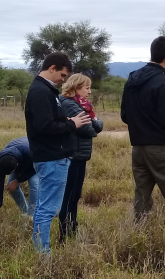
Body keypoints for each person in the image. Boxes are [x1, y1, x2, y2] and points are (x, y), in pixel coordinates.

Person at [25, 52, 91, 253]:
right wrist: (72, 124)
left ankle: (40, 250)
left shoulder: (46, 90)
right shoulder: (40, 92)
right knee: (48, 209)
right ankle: (43, 254)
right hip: (52, 157)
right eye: (62, 75)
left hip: (52, 156)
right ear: (52, 68)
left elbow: (50, 122)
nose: (63, 80)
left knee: (44, 207)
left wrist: (67, 122)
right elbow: (45, 127)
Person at [121, 36, 165, 222]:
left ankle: (138, 233)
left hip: (138, 148)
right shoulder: (164, 83)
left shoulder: (131, 80)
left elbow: (125, 116)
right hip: (161, 148)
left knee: (141, 196)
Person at [58, 74, 103, 242]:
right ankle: (64, 233)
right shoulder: (69, 103)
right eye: (87, 88)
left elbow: (89, 125)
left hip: (79, 155)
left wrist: (93, 123)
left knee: (75, 195)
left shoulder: (79, 105)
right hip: (72, 155)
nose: (89, 92)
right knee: (69, 195)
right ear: (76, 87)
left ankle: (72, 228)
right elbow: (89, 128)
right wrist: (96, 122)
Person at [0, 137, 39, 220]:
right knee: (11, 187)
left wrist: (18, 180)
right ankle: (25, 212)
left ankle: (31, 216)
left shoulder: (29, 152)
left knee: (34, 183)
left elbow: (35, 168)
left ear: (17, 165)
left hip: (35, 163)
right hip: (20, 159)